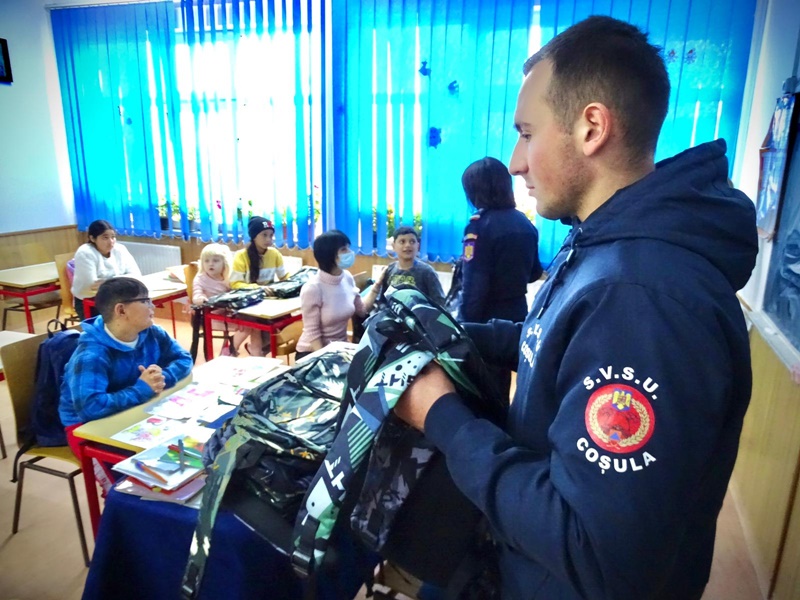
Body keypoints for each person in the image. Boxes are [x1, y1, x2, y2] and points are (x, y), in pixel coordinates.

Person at [394, 15, 758, 599]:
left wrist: (440, 415)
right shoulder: (601, 239)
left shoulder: (643, 298)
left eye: (526, 133)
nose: (515, 160)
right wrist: (457, 332)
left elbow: (593, 550)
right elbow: (556, 342)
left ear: (591, 127)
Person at [59, 277, 193, 461]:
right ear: (121, 310)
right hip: (87, 430)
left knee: (185, 451)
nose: (153, 306)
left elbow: (184, 359)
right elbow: (91, 407)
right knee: (138, 473)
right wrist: (143, 389)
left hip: (135, 409)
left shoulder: (151, 332)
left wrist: (162, 377)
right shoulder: (91, 354)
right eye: (145, 301)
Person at [458, 156, 543, 323]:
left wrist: (461, 327)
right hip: (518, 315)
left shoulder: (478, 227)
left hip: (486, 321)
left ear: (474, 191)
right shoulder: (524, 222)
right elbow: (535, 273)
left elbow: (474, 288)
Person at [295, 230, 367, 360]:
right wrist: (325, 358)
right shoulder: (313, 288)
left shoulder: (347, 277)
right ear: (329, 255)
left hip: (339, 348)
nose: (350, 253)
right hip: (314, 352)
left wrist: (377, 286)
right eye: (344, 249)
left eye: (348, 248)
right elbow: (312, 332)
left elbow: (361, 310)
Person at [191, 243, 262, 357]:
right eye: (206, 261)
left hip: (228, 314)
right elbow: (196, 295)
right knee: (247, 326)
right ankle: (230, 351)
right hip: (209, 318)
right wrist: (200, 299)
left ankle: (256, 353)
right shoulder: (200, 279)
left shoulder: (228, 276)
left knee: (255, 323)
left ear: (224, 263)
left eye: (215, 260)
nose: (210, 264)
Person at [363, 226, 446, 312]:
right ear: (393, 246)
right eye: (402, 241)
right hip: (392, 316)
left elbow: (440, 304)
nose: (407, 245)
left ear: (418, 246)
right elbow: (383, 301)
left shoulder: (427, 272)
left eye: (412, 242)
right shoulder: (388, 270)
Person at [71, 219, 141, 320]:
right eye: (105, 238)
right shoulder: (85, 253)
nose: (111, 241)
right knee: (106, 328)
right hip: (90, 302)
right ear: (92, 238)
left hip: (116, 298)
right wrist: (123, 281)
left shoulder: (120, 249)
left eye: (113, 237)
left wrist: (107, 281)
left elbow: (136, 276)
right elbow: (91, 285)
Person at [230, 216, 288, 292]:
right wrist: (258, 288)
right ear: (254, 236)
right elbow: (235, 284)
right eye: (264, 235)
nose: (268, 239)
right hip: (249, 296)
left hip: (270, 296)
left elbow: (284, 277)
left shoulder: (274, 254)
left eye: (271, 235)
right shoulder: (241, 256)